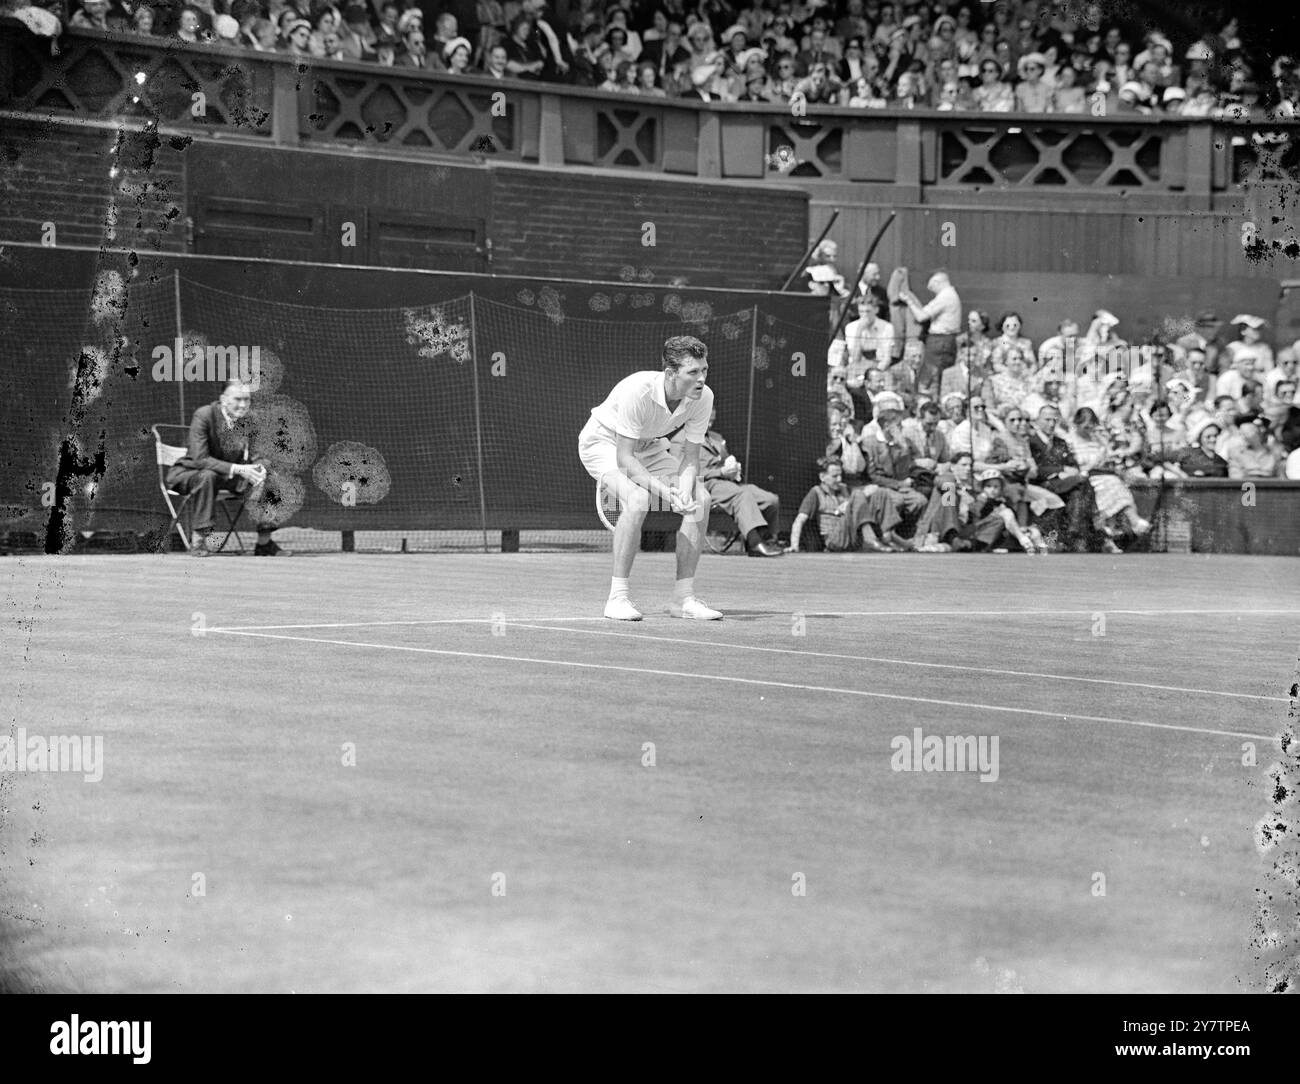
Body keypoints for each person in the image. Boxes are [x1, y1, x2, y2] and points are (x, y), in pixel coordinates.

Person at [577, 336, 721, 621]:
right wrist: (666, 494)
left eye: (704, 370)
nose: (701, 379)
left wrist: (682, 490)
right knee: (638, 497)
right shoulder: (637, 390)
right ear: (670, 374)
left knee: (700, 498)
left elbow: (691, 458)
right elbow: (625, 459)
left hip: (650, 445)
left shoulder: (703, 398)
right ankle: (617, 598)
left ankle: (682, 599)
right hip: (605, 442)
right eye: (693, 372)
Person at [166, 379, 290, 557]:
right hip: (190, 474)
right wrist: (239, 469)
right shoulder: (204, 415)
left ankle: (264, 543)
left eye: (246, 400)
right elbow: (200, 459)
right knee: (207, 475)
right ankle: (199, 542)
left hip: (225, 477)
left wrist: (261, 468)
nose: (242, 404)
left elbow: (257, 455)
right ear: (224, 399)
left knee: (269, 475)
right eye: (237, 399)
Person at [687, 408, 783, 557]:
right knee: (742, 495)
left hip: (728, 484)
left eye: (712, 420)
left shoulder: (717, 438)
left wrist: (734, 469)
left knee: (770, 500)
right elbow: (683, 471)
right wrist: (719, 472)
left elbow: (725, 461)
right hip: (704, 485)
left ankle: (768, 539)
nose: (710, 425)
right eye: (708, 421)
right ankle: (755, 543)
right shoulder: (682, 439)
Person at [898, 268, 961, 400]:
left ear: (938, 282)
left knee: (933, 374)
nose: (932, 290)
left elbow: (921, 316)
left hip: (940, 340)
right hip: (947, 340)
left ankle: (932, 401)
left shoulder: (945, 296)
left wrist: (909, 301)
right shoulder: (952, 295)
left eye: (932, 287)